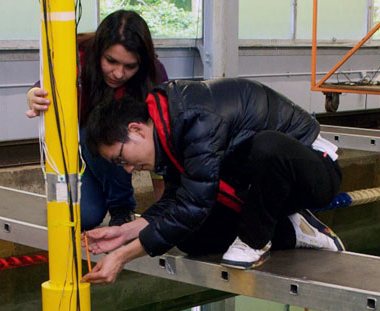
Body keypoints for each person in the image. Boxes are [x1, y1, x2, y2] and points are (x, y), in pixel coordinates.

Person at [79, 78, 346, 284]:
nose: (127, 170)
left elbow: (193, 206)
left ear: (135, 130)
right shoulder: (168, 128)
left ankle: (255, 240)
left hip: (315, 172)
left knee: (268, 146)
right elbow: (178, 198)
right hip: (264, 190)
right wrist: (124, 232)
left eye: (121, 159)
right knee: (191, 239)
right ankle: (294, 231)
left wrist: (122, 257)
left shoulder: (196, 118)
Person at [25, 10, 167, 229]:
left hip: (113, 155)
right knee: (85, 217)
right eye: (111, 61)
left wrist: (163, 208)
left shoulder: (153, 76)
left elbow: (163, 145)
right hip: (80, 147)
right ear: (99, 50)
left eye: (130, 66)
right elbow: (43, 88)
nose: (118, 74)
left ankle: (121, 208)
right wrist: (32, 95)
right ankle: (113, 201)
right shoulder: (77, 58)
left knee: (115, 136)